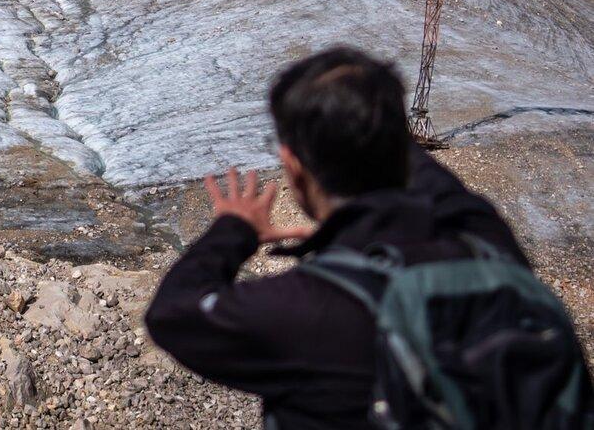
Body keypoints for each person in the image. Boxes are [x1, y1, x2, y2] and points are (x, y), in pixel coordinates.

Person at [145, 45, 592, 429]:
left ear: (294, 169)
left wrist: (234, 230)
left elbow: (172, 312)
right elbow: (424, 174)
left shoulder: (305, 310)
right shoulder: (485, 241)